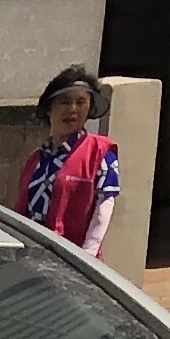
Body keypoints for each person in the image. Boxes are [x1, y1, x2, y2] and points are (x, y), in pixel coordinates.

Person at [24, 67, 120, 262]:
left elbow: (104, 206)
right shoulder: (36, 159)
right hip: (32, 256)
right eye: (65, 102)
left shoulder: (101, 153)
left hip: (73, 260)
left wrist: (86, 257)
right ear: (49, 108)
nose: (73, 109)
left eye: (81, 102)